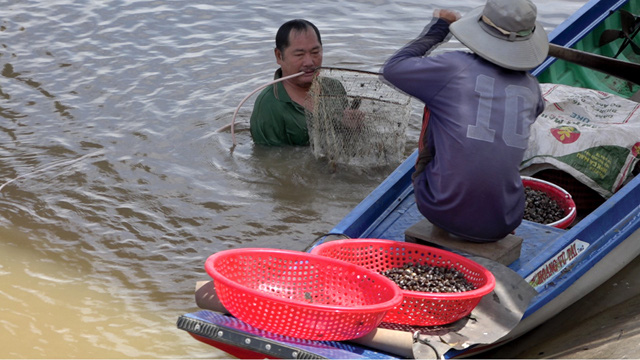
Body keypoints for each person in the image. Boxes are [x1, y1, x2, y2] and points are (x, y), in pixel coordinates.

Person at [382, 0, 548, 242]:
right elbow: (536, 110)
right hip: (507, 219)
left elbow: (393, 68)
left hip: (440, 211)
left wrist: (440, 28)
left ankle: (446, 213)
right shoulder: (532, 86)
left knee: (435, 105)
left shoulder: (454, 66)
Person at [250, 19, 323, 146]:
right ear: (279, 56)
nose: (309, 62)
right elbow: (271, 160)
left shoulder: (334, 87)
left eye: (315, 52)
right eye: (299, 54)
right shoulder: (268, 106)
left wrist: (352, 125)